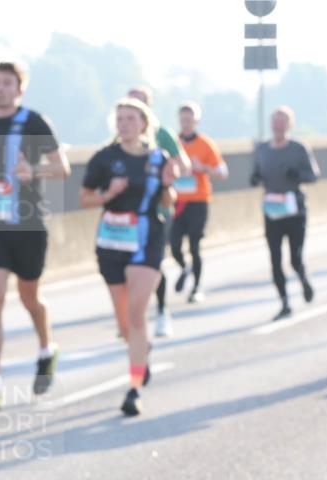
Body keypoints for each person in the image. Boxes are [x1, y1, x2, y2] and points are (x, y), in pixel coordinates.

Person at [0, 62, 70, 409]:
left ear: (19, 89)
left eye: (7, 83)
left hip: (28, 223)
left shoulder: (35, 122)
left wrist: (32, 170)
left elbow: (62, 168)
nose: (0, 88)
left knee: (29, 297)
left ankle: (46, 349)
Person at [80, 98, 177, 416]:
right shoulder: (104, 158)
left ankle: (134, 388)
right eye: (119, 119)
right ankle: (140, 350)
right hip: (111, 241)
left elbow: (168, 201)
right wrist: (109, 193)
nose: (124, 124)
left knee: (136, 316)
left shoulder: (158, 158)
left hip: (147, 239)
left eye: (130, 118)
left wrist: (168, 185)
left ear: (144, 124)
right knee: (124, 324)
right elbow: (84, 198)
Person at [127, 86, 190, 337]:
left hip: (158, 209)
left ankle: (162, 312)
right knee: (128, 265)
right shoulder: (119, 136)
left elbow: (183, 165)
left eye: (138, 104)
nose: (132, 109)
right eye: (129, 103)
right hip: (126, 213)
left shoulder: (162, 134)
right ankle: (133, 316)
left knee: (153, 263)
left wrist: (168, 173)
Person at [249, 106, 321, 321]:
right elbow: (257, 173)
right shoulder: (262, 149)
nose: (278, 125)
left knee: (294, 257)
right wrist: (254, 178)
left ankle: (303, 278)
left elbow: (314, 176)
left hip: (295, 208)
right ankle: (284, 302)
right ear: (271, 125)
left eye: (283, 121)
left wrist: (297, 174)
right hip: (272, 209)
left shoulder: (299, 147)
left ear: (290, 125)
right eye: (275, 121)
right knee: (275, 258)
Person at [172, 101, 228, 302]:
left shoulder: (205, 144)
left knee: (195, 245)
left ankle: (196, 287)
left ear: (196, 121)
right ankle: (184, 267)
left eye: (189, 119)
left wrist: (202, 167)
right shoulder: (172, 143)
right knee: (174, 245)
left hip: (198, 201)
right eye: (182, 119)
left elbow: (222, 172)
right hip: (176, 202)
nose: (186, 123)